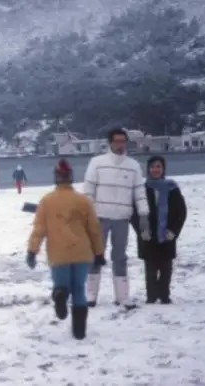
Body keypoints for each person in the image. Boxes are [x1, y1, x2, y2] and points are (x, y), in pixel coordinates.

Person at [26, 158, 105, 340]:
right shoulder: (84, 201)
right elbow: (94, 229)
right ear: (71, 177)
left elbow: (39, 229)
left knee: (61, 284)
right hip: (82, 252)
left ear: (56, 177)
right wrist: (99, 253)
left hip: (58, 253)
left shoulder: (46, 201)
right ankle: (79, 331)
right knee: (79, 289)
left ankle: (60, 294)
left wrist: (32, 251)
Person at [83, 127, 149, 309]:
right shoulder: (96, 163)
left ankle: (122, 296)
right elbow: (88, 191)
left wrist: (144, 214)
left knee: (120, 257)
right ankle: (91, 295)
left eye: (123, 141)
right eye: (117, 141)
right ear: (110, 142)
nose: (120, 145)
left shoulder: (133, 165)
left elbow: (139, 192)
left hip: (122, 218)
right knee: (95, 255)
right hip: (99, 217)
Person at [130, 156, 187, 304]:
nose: (155, 170)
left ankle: (164, 295)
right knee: (150, 269)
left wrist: (173, 231)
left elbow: (181, 212)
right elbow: (134, 213)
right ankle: (151, 296)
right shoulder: (141, 190)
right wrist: (142, 230)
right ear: (148, 169)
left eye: (159, 167)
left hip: (166, 234)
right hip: (148, 234)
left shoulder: (172, 189)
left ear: (163, 169)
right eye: (153, 167)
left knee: (166, 268)